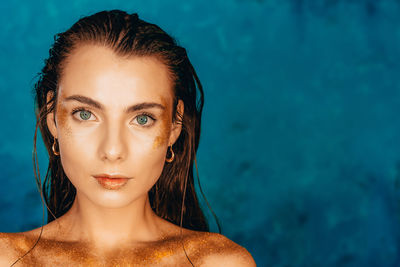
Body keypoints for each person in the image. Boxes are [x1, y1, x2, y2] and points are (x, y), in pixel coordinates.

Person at [0, 9, 256, 266]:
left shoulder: (218, 262)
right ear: (52, 117)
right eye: (85, 114)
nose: (112, 150)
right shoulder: (8, 258)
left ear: (174, 125)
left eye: (142, 119)